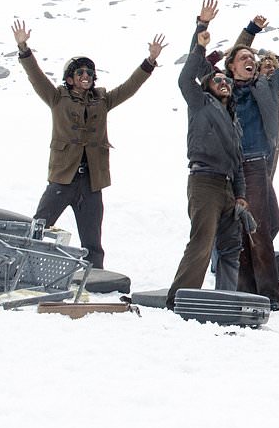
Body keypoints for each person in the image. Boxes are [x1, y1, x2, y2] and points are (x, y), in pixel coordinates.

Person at [11, 20, 165, 269]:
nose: (86, 76)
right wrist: (23, 48)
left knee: (92, 242)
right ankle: (19, 270)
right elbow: (36, 76)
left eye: (90, 73)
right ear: (70, 78)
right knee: (38, 228)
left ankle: (94, 281)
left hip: (91, 182)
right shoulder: (56, 98)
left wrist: (150, 61)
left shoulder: (102, 100)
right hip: (63, 179)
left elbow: (129, 87)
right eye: (80, 72)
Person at [203, 0, 279, 311]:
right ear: (231, 67)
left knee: (265, 224)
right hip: (235, 165)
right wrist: (249, 32)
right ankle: (262, 293)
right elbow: (208, 64)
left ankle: (251, 286)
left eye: (253, 58)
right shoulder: (221, 86)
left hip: (258, 164)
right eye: (244, 58)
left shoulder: (265, 85)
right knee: (254, 228)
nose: (250, 60)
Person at [167, 0, 246, 308]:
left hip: (227, 185)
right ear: (207, 86)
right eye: (217, 79)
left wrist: (240, 194)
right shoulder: (199, 104)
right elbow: (186, 76)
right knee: (201, 242)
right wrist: (201, 31)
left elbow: (238, 161)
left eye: (226, 80)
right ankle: (180, 298)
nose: (223, 81)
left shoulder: (233, 119)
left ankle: (226, 298)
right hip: (204, 181)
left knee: (230, 246)